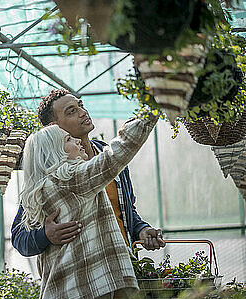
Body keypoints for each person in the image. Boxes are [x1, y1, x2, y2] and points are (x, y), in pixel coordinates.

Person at [19, 110, 158, 299]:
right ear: (54, 152)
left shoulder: (42, 188)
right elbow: (115, 156)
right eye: (67, 139)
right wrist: (150, 111)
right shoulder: (69, 179)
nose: (76, 141)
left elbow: (125, 210)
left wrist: (139, 228)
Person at [11, 90, 165, 255]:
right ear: (52, 127)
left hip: (123, 263)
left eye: (81, 106)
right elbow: (20, 238)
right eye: (72, 111)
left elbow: (126, 210)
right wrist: (45, 235)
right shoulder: (50, 173)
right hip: (82, 273)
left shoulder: (107, 154)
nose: (83, 112)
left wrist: (142, 230)